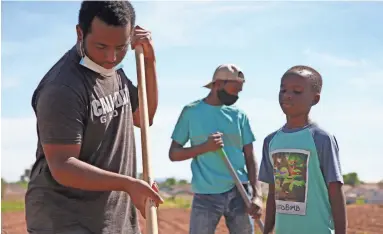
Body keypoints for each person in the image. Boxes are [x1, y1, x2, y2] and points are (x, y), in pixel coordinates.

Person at [25, 1, 163, 234]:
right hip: (66, 221)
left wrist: (150, 60)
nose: (111, 57)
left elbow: (143, 117)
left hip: (113, 219)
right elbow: (62, 165)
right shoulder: (62, 88)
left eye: (121, 47)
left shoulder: (112, 71)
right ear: (80, 33)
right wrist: (128, 184)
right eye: (101, 46)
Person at [168, 64, 263, 234]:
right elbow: (174, 154)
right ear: (218, 84)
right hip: (206, 194)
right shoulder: (191, 112)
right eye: (234, 90)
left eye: (239, 92)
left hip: (240, 191)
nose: (236, 96)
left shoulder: (239, 115)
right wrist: (205, 147)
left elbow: (250, 156)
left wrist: (257, 195)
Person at [259, 65, 347, 234]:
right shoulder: (270, 141)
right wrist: (268, 230)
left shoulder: (321, 138)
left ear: (315, 99)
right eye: (283, 90)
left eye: (297, 91)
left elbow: (335, 191)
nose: (287, 95)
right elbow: (273, 193)